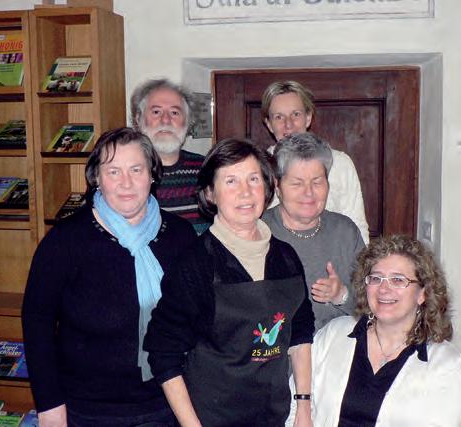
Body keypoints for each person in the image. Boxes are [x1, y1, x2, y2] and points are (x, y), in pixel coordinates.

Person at [22, 128, 197, 427]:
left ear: (152, 175)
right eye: (113, 171)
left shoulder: (181, 236)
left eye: (136, 169)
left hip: (167, 405)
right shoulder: (64, 241)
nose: (126, 182)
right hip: (88, 411)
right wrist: (49, 405)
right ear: (96, 179)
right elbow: (37, 323)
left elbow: (198, 320)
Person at [144, 138, 315, 427]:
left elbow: (300, 333)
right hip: (210, 417)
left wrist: (304, 408)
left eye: (253, 179)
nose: (245, 192)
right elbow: (164, 354)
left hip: (273, 417)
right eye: (231, 181)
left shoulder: (286, 257)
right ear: (210, 193)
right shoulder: (195, 264)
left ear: (267, 187)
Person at [287, 235, 461, 426]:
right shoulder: (333, 334)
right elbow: (294, 406)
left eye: (397, 280)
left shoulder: (445, 363)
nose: (383, 289)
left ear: (423, 293)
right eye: (375, 278)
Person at [262, 132, 365, 331]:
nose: (309, 193)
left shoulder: (345, 232)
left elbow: (375, 303)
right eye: (297, 183)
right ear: (278, 186)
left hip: (339, 343)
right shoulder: (259, 232)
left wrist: (342, 295)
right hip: (278, 345)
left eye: (317, 182)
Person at [261, 80, 370, 244]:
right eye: (279, 117)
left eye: (296, 114)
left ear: (308, 117)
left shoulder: (340, 163)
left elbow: (357, 225)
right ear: (269, 124)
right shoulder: (260, 166)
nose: (288, 124)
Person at [131, 77, 209, 235]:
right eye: (156, 112)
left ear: (188, 122)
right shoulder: (121, 173)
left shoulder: (208, 170)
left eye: (174, 112)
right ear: (138, 119)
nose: (165, 120)